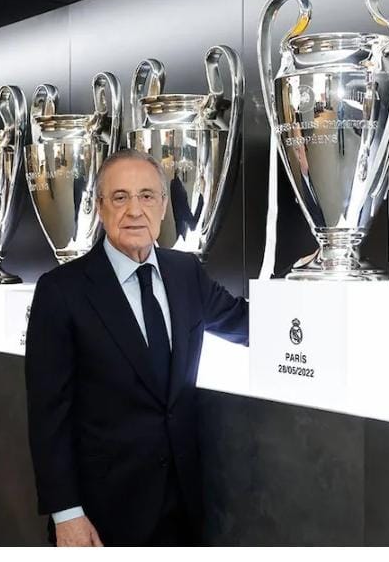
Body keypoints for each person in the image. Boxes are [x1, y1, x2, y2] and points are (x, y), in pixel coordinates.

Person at [24, 149, 249, 546]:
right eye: (120, 197)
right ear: (99, 208)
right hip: (103, 516)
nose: (134, 210)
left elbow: (244, 323)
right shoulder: (61, 291)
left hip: (183, 509)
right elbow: (48, 416)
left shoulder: (186, 273)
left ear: (162, 206)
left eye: (146, 196)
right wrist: (67, 514)